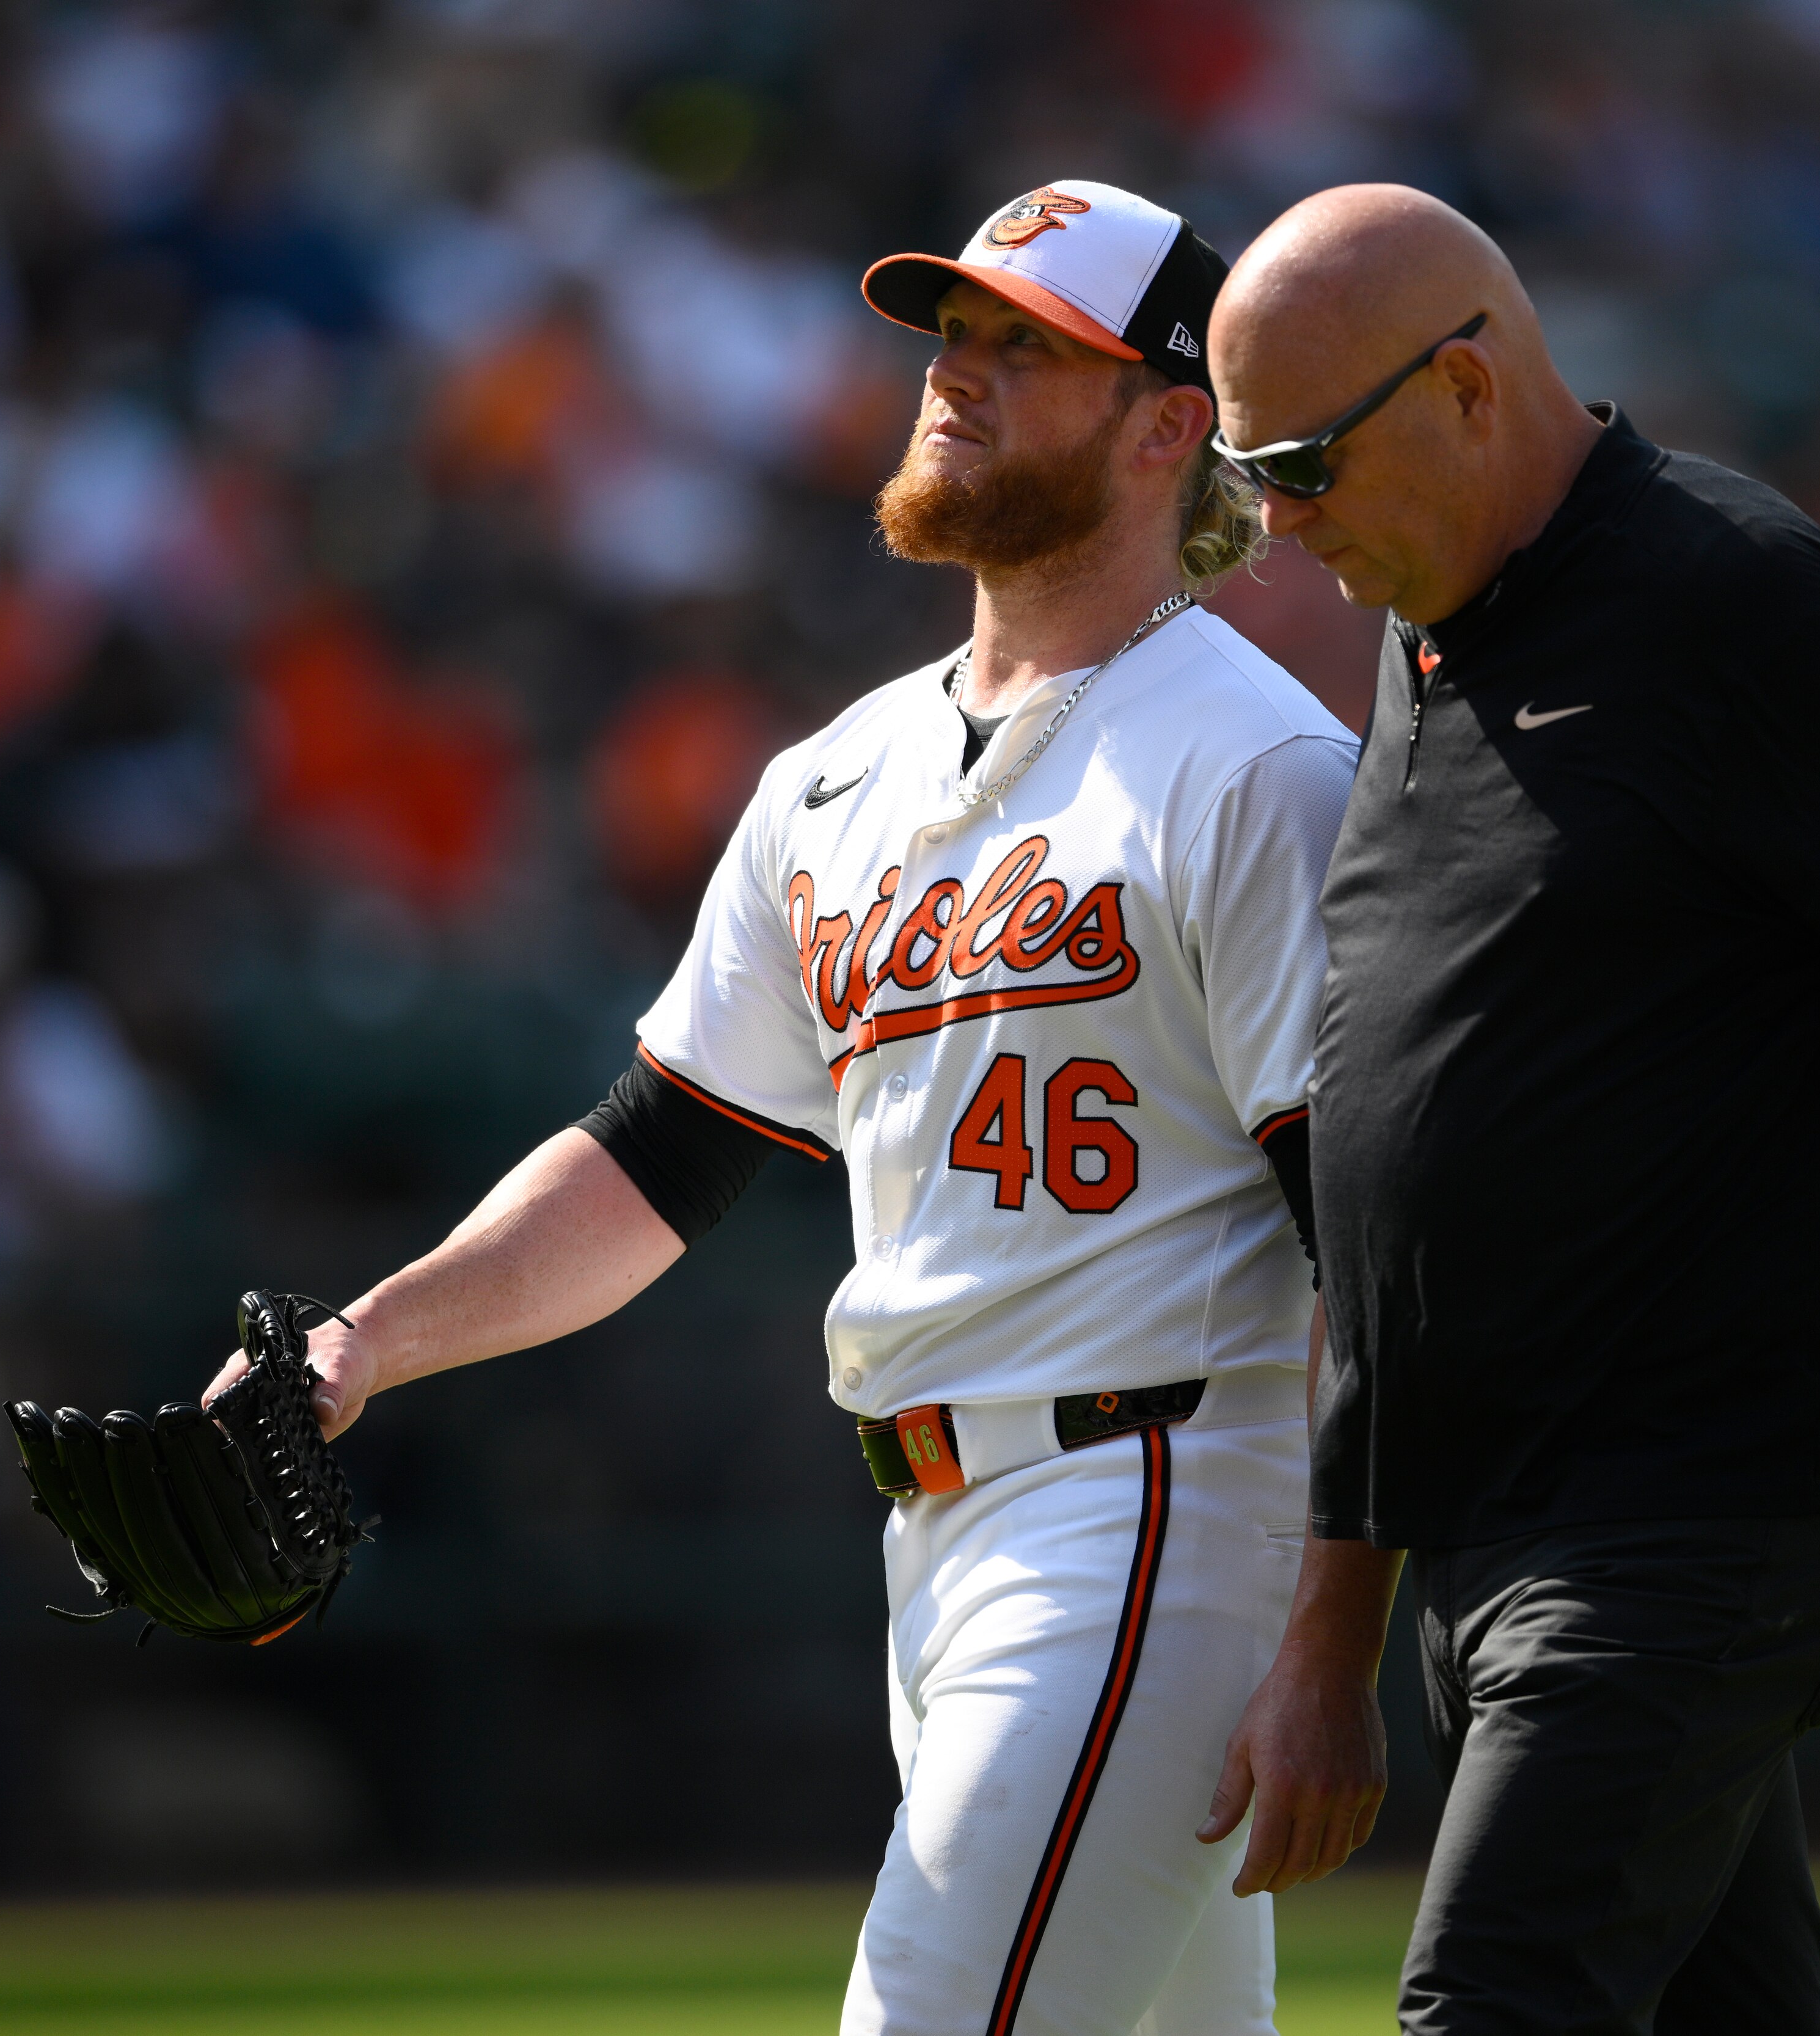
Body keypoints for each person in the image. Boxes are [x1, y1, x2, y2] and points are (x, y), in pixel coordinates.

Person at [207, 178, 1356, 2036]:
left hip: (1162, 1502)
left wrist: (1338, 1620)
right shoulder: (838, 778)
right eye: (954, 337)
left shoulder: (1262, 769)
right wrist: (360, 1346)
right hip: (938, 1534)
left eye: (1027, 350)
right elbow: (657, 1159)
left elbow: (1365, 1241)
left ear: (1168, 425)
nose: (958, 379)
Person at [1188, 184, 1820, 2034]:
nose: (1278, 528)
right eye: (1248, 472)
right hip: (1505, 1532)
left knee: (1495, 2007)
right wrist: (1334, 1631)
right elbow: (1385, 1152)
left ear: (1466, 387)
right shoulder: (1427, 631)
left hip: (1697, 1516)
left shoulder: (1741, 600)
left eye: (1302, 465)